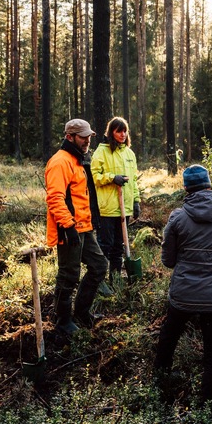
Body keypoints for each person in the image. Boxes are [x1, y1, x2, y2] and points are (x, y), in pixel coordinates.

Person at [154, 165, 212, 408]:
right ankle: (210, 408)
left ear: (186, 188)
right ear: (209, 184)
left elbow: (168, 261)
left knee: (168, 340)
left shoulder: (178, 217)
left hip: (183, 295)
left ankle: (159, 394)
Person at [45, 118, 108, 335]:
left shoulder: (78, 159)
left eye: (89, 136)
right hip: (69, 229)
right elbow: (54, 198)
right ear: (69, 137)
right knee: (69, 275)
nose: (87, 141)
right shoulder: (60, 162)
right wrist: (68, 225)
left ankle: (81, 312)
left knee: (99, 266)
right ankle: (62, 320)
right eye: (83, 137)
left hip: (84, 227)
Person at [91, 117, 141, 294]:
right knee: (105, 244)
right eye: (119, 131)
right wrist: (112, 178)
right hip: (107, 208)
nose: (123, 134)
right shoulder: (101, 152)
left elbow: (134, 180)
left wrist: (136, 201)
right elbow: (95, 176)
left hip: (124, 208)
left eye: (125, 130)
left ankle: (115, 278)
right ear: (111, 132)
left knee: (119, 246)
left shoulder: (129, 154)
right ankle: (99, 280)